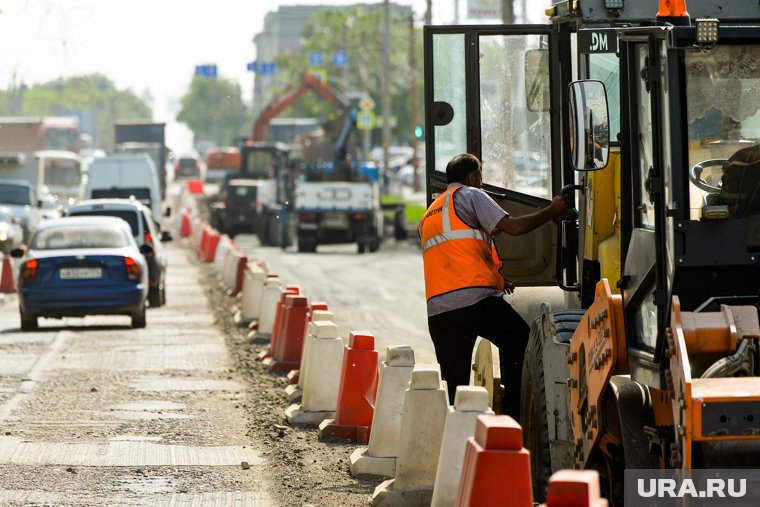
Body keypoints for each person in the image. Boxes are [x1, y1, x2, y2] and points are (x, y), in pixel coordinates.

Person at [417, 153, 568, 418]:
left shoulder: (429, 214)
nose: (481, 182)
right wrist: (553, 211)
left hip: (439, 311)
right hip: (475, 302)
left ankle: (459, 441)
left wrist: (498, 279)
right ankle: (512, 416)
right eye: (481, 177)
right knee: (520, 339)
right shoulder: (472, 195)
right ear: (472, 177)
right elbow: (513, 228)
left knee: (455, 387)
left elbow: (456, 257)